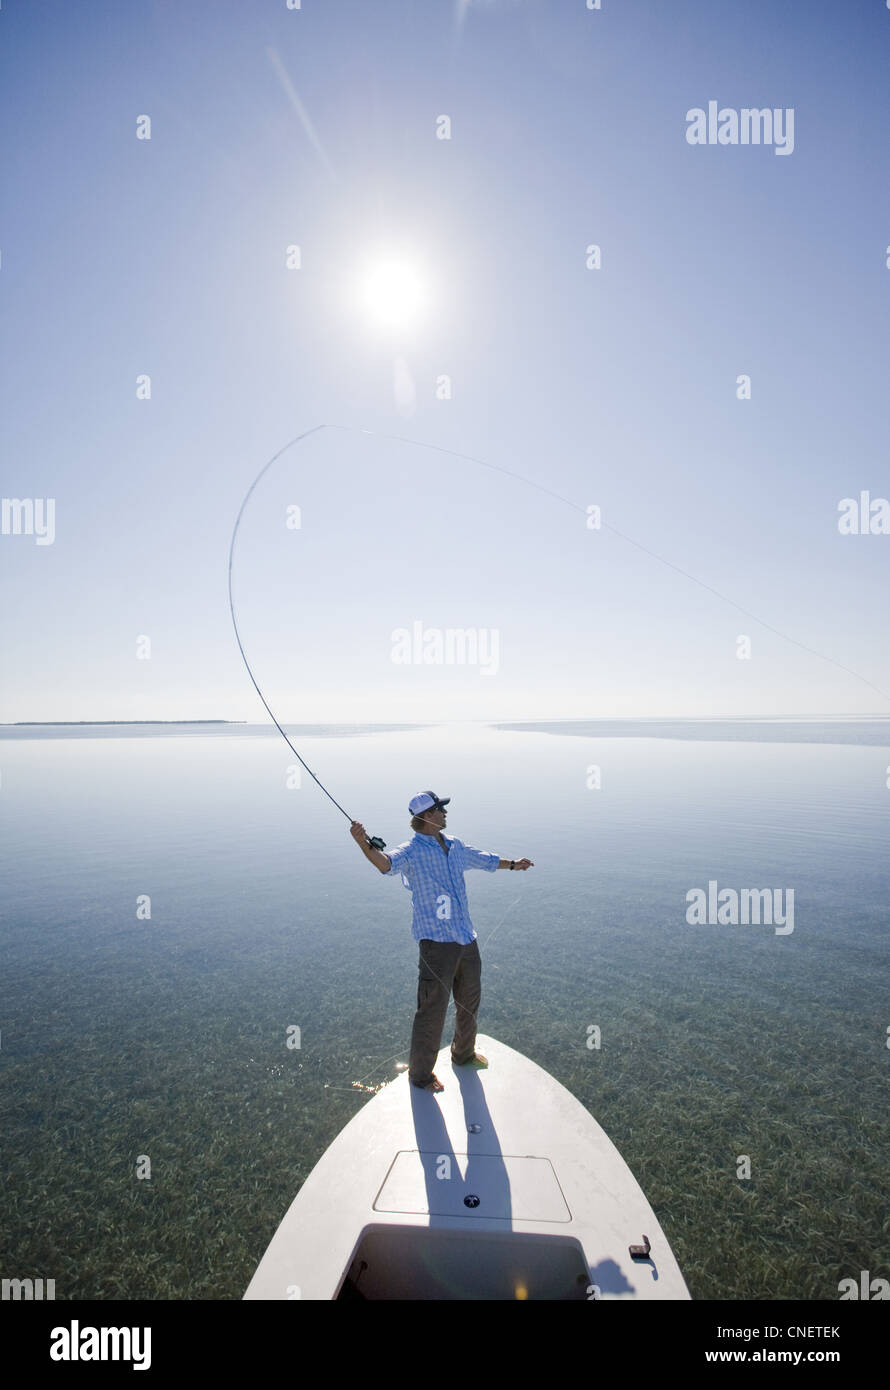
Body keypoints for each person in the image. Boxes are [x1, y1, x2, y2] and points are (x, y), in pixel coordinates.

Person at [350, 790, 533, 1092]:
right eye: (440, 809)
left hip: (465, 937)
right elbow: (385, 864)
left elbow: (484, 859)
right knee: (432, 1010)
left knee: (469, 1001)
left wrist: (514, 863)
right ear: (426, 816)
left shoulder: (455, 845)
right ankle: (420, 1076)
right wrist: (362, 842)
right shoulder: (410, 851)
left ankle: (463, 1054)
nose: (445, 813)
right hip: (436, 945)